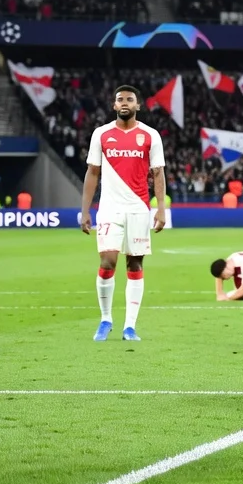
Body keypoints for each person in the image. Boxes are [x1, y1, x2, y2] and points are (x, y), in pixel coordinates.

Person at [80, 84, 167, 342]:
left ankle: (130, 326)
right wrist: (85, 210)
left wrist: (161, 208)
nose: (125, 102)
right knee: (107, 262)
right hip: (109, 208)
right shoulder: (102, 134)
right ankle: (105, 319)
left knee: (135, 263)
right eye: (121, 99)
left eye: (130, 99)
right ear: (114, 106)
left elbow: (159, 173)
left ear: (138, 105)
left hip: (139, 208)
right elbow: (92, 172)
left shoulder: (151, 136)